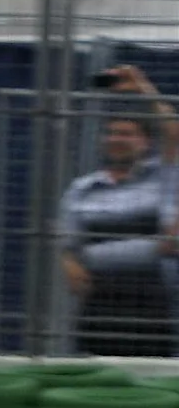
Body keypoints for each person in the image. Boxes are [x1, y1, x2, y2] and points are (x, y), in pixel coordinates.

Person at [59, 68, 179, 356]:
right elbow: (67, 242)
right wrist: (69, 263)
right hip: (98, 304)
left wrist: (142, 86)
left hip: (150, 301)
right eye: (111, 133)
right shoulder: (82, 189)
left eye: (126, 134)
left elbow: (173, 131)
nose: (116, 139)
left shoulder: (160, 178)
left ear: (145, 142)